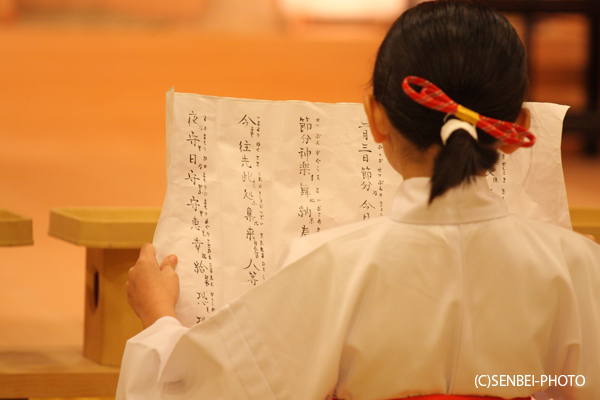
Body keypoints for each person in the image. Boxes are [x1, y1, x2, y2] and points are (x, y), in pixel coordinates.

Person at [116, 1, 600, 399]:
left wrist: (159, 318)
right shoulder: (575, 267)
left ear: (376, 117)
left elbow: (200, 390)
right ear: (517, 129)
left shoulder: (327, 267)